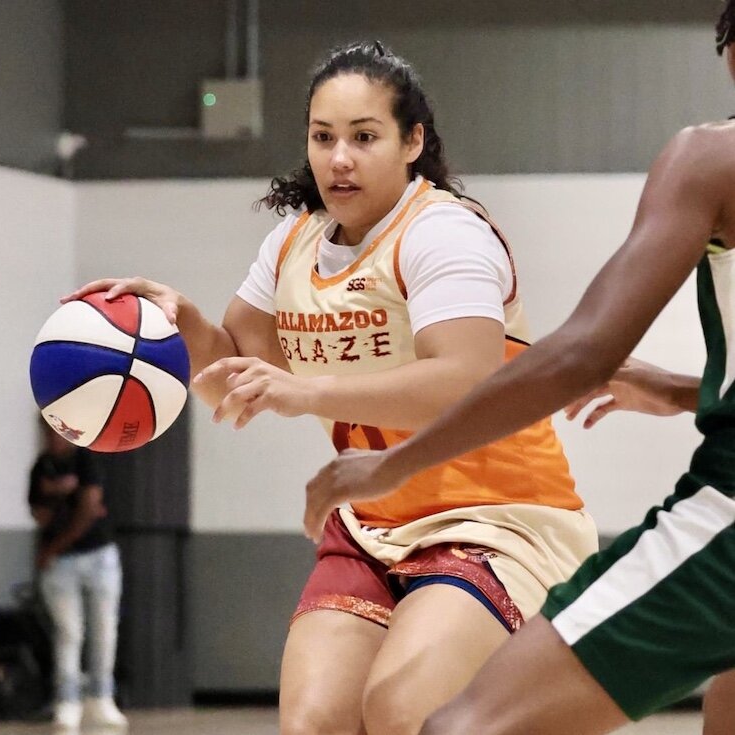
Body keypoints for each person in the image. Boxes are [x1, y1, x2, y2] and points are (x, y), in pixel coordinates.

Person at [64, 42, 598, 735]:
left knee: (403, 708)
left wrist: (312, 392)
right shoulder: (292, 243)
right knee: (315, 720)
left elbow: (465, 381)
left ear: (413, 142)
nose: (338, 158)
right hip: (374, 521)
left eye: (363, 137)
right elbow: (237, 368)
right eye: (323, 137)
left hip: (495, 516)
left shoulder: (443, 232)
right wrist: (181, 320)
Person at [304, 7, 735, 735]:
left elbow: (579, 353)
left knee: (461, 725)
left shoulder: (711, 156)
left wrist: (392, 464)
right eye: (324, 136)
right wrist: (680, 390)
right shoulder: (297, 250)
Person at [29, 419, 127, 731]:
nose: (52, 438)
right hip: (62, 564)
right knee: (69, 632)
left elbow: (88, 508)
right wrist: (58, 493)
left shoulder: (86, 459)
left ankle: (101, 698)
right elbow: (40, 515)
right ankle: (68, 701)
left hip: (98, 555)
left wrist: (53, 547)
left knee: (104, 630)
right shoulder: (41, 467)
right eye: (47, 432)